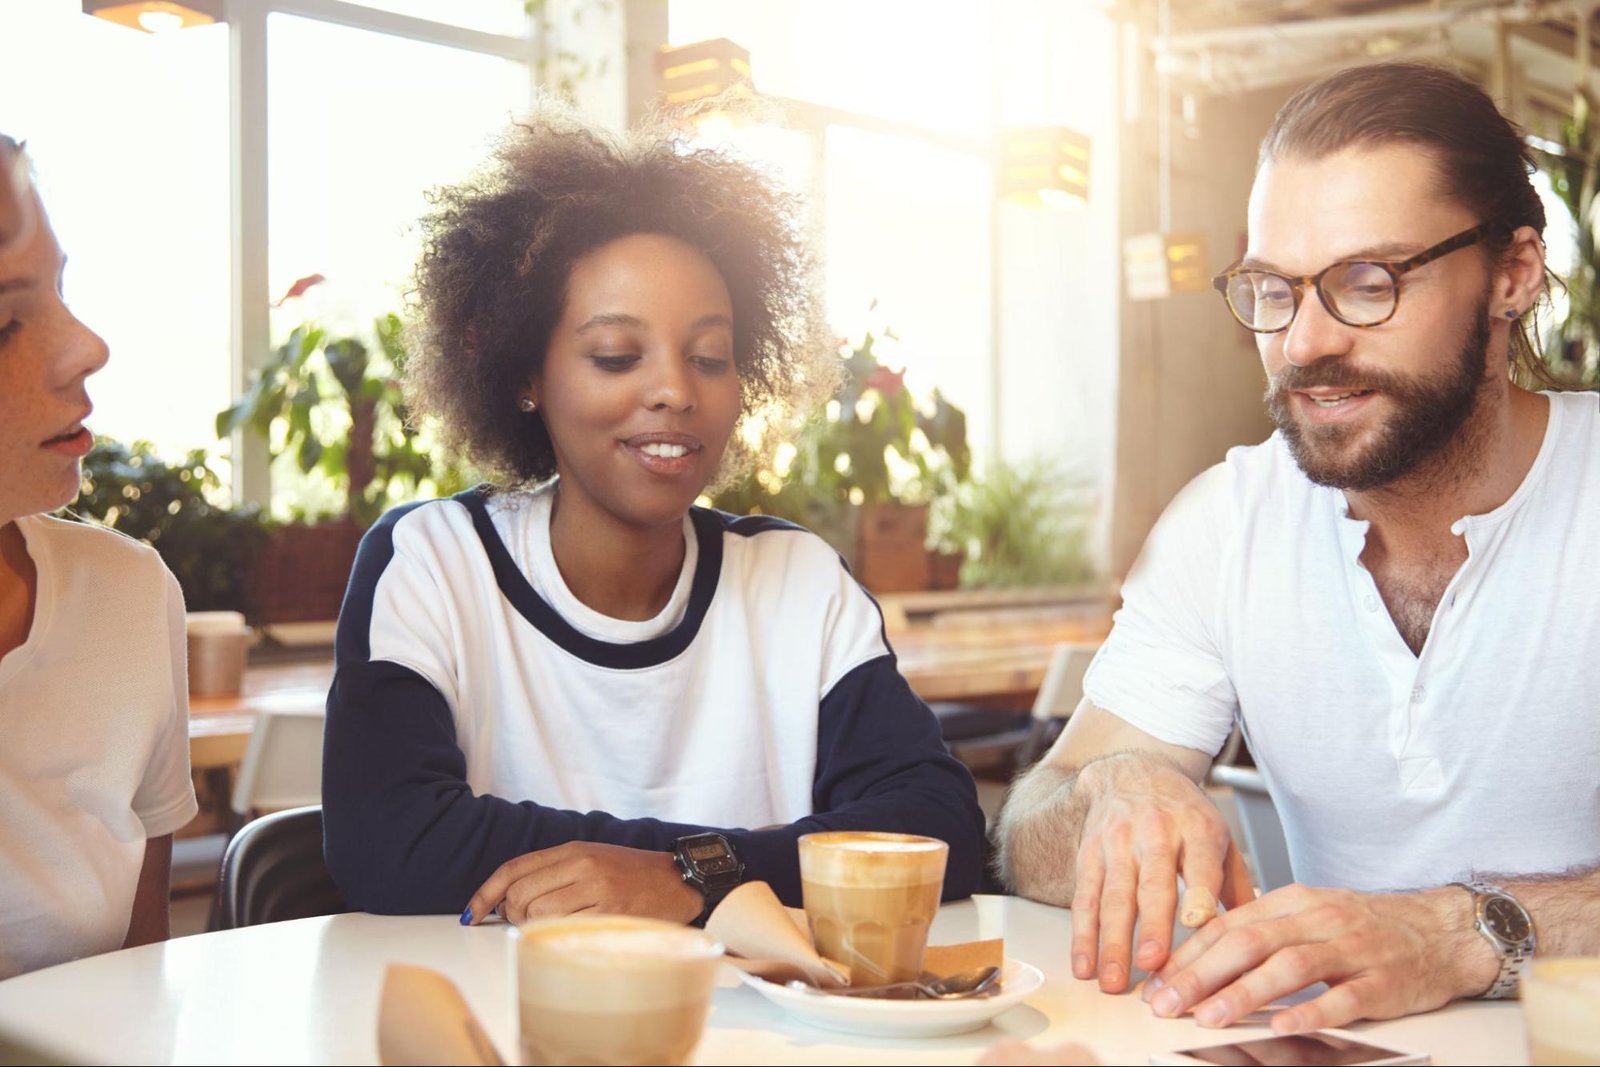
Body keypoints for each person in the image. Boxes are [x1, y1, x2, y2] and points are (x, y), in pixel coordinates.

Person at [995, 62, 1600, 1034]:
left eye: (1367, 282)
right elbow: (1026, 831)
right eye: (1274, 289)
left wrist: (1459, 932)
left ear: (1512, 274)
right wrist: (1118, 782)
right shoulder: (1225, 519)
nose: (1305, 340)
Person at [321, 109, 987, 925]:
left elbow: (940, 826)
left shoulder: (797, 581)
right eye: (616, 356)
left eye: (710, 356)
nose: (677, 389)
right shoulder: (432, 561)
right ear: (526, 372)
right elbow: (391, 842)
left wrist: (692, 873)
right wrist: (712, 868)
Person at [0, 134, 198, 979]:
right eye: (7, 319)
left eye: (61, 290)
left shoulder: (127, 593)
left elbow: (135, 991)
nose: (88, 346)